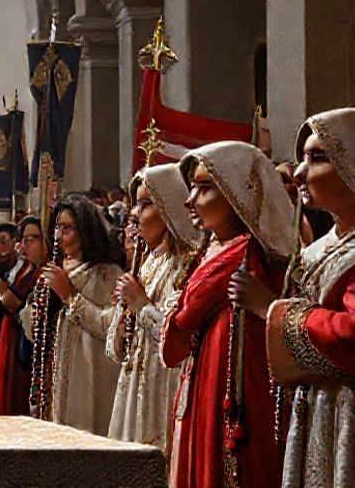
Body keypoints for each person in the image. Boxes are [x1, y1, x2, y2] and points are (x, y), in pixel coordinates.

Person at [161, 141, 294, 488]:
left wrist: (178, 313)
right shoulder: (212, 251)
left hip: (230, 386)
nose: (191, 199)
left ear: (237, 193)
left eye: (205, 187)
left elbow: (181, 325)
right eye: (192, 187)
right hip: (205, 377)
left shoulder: (241, 256)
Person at [258, 109, 355, 488]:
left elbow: (350, 335)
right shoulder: (322, 248)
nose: (299, 172)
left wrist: (287, 320)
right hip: (319, 406)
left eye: (317, 158)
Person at [107, 163, 200, 450]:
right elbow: (117, 350)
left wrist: (140, 303)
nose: (134, 213)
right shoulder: (146, 261)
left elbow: (176, 336)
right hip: (134, 385)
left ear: (169, 208)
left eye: (146, 203)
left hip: (162, 384)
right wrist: (121, 322)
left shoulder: (186, 263)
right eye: (135, 204)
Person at [40, 194, 123, 435]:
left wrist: (69, 296)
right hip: (60, 372)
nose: (58, 237)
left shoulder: (107, 273)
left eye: (67, 229)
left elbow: (110, 326)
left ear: (85, 230)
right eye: (57, 228)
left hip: (91, 376)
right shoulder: (57, 269)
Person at [0, 222, 38, 416]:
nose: (0, 247)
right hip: (2, 335)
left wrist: (2, 291)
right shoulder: (5, 270)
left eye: (5, 241)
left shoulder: (29, 272)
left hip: (16, 336)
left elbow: (16, 304)